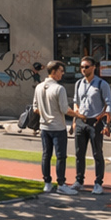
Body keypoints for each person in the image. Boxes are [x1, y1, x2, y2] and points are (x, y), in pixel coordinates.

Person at [72, 57, 111, 195]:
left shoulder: (102, 84)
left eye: (87, 67)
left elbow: (108, 105)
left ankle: (98, 182)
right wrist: (74, 119)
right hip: (80, 121)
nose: (84, 69)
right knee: (79, 153)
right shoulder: (78, 83)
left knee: (97, 153)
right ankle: (79, 180)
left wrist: (106, 124)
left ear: (94, 67)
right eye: (82, 67)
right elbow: (76, 102)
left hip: (95, 122)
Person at [34, 61, 72, 193]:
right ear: (54, 72)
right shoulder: (59, 88)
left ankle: (47, 183)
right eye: (61, 71)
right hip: (57, 127)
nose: (63, 73)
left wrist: (46, 112)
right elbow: (64, 109)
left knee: (46, 155)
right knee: (60, 156)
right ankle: (61, 183)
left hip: (44, 127)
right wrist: (79, 115)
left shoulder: (38, 87)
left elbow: (35, 108)